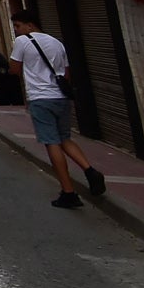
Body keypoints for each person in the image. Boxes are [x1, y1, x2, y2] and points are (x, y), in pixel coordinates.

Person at [13, 12, 105, 208]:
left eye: (18, 25)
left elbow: (14, 69)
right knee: (65, 138)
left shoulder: (22, 42)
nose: (16, 29)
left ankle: (68, 191)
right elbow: (66, 73)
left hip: (40, 98)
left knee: (51, 143)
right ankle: (90, 170)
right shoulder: (57, 42)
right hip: (61, 98)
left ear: (30, 25)